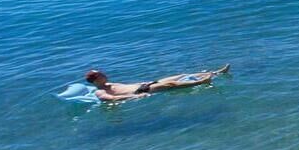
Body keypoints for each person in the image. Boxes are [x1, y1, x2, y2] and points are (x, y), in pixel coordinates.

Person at [84, 65, 231, 102]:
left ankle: (217, 72)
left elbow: (129, 84)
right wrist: (134, 97)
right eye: (101, 74)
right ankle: (202, 82)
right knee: (171, 85)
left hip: (146, 84)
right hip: (142, 91)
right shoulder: (99, 91)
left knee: (181, 75)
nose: (104, 74)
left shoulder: (110, 83)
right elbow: (111, 99)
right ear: (96, 80)